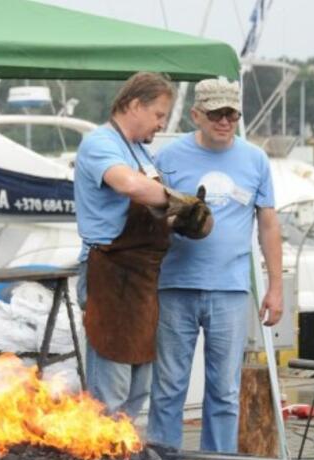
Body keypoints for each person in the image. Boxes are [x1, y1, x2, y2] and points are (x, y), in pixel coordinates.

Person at [147, 77, 283, 460]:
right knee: (168, 387)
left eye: (232, 114)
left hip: (230, 289)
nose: (225, 121)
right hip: (176, 285)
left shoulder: (255, 159)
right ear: (197, 116)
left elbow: (268, 224)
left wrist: (275, 285)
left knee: (223, 391)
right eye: (216, 114)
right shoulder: (168, 156)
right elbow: (148, 214)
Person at [74, 71, 212, 419]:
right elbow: (130, 186)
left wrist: (180, 221)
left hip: (142, 279)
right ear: (135, 105)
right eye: (158, 115)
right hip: (109, 274)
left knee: (139, 387)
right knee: (111, 388)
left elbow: (151, 210)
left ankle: (125, 457)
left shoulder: (139, 151)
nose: (160, 124)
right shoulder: (100, 144)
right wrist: (179, 201)